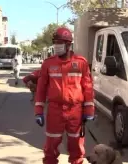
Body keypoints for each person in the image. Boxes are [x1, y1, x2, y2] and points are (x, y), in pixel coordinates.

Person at [34, 27, 95, 164]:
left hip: (75, 111)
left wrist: (89, 110)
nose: (56, 46)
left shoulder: (81, 63)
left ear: (68, 44)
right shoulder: (48, 63)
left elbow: (88, 88)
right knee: (51, 147)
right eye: (55, 42)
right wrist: (38, 111)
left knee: (76, 147)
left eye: (59, 42)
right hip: (55, 111)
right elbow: (41, 89)